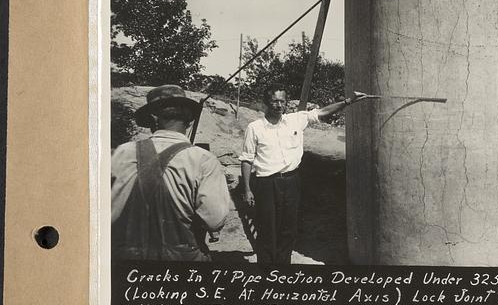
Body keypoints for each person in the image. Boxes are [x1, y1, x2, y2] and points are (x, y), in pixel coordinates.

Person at [239, 84, 371, 264]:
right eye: (274, 101)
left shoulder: (296, 120)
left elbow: (323, 112)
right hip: (266, 184)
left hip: (291, 182)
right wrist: (247, 189)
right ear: (266, 103)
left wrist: (349, 101)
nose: (278, 105)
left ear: (286, 103)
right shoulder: (254, 128)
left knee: (289, 229)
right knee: (267, 229)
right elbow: (246, 159)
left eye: (282, 101)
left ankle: (283, 268)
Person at [111, 85, 231, 261]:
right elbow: (214, 220)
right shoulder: (203, 159)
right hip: (181, 263)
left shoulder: (123, 152)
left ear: (152, 118)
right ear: (189, 120)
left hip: (126, 262)